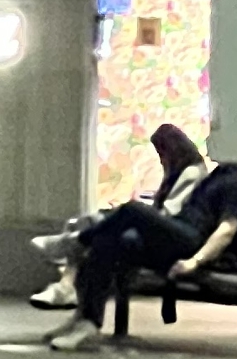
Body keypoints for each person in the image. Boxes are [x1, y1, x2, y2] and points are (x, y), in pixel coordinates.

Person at [48, 150, 237, 351]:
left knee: (133, 209)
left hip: (191, 242)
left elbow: (227, 229)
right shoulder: (217, 176)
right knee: (110, 241)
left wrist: (195, 261)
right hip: (181, 233)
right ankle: (87, 320)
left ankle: (75, 243)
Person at [28, 123, 206, 308]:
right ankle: (66, 280)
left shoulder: (192, 173)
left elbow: (170, 211)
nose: (161, 159)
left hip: (172, 235)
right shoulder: (177, 172)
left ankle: (67, 271)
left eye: (162, 153)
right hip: (163, 227)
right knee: (89, 221)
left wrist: (142, 214)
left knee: (111, 224)